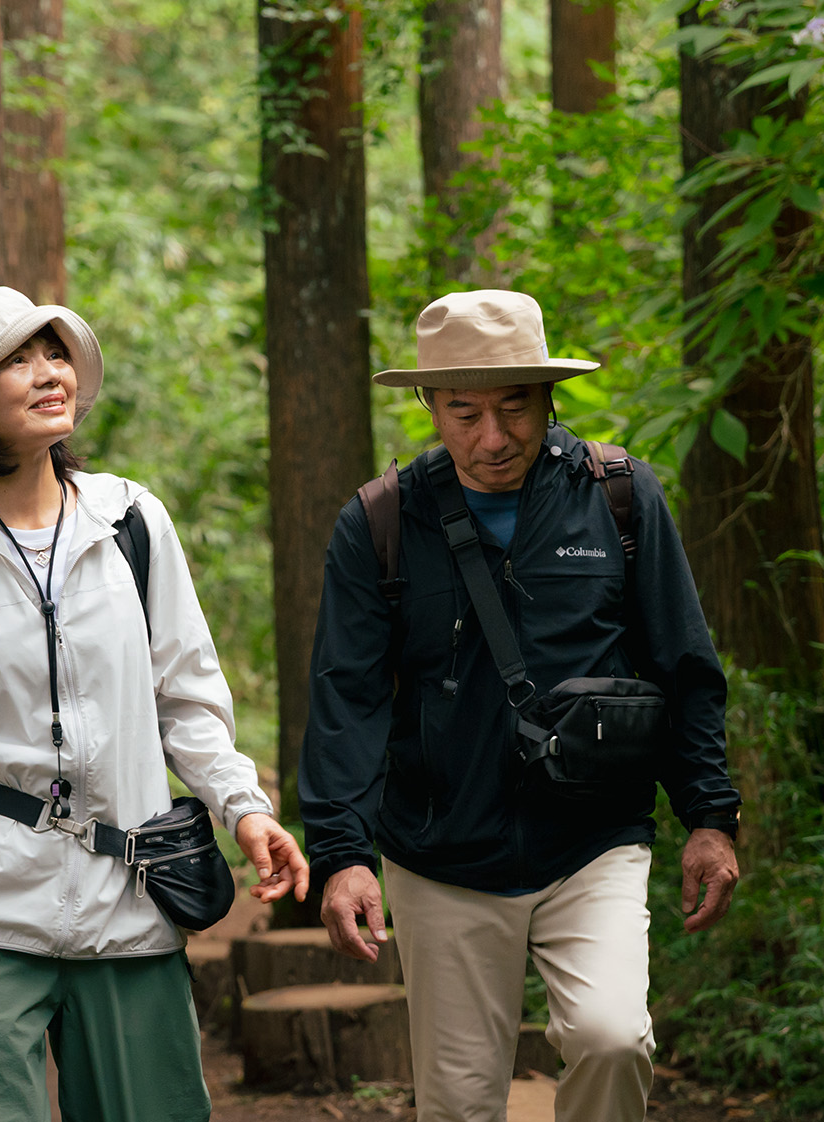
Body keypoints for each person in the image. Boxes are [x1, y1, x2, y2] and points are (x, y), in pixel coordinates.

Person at [0, 286, 309, 1121]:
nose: (48, 373)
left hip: (130, 901)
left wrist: (243, 808)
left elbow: (186, 696)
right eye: (16, 362)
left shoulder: (131, 522)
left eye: (55, 353)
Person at [299, 290, 742, 1122]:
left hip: (594, 839)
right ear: (430, 405)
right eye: (463, 412)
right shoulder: (380, 522)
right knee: (460, 1104)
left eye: (514, 407)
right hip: (441, 853)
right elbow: (346, 700)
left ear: (547, 397)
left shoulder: (617, 495)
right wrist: (341, 854)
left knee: (614, 1039)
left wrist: (710, 816)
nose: (493, 437)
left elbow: (683, 665)